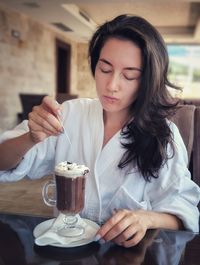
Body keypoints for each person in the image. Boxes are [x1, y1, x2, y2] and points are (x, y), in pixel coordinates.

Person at [0, 14, 199, 248]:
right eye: (105, 69)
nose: (112, 85)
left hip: (126, 256)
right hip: (68, 250)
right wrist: (30, 138)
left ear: (147, 80)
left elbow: (184, 209)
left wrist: (147, 219)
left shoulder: (164, 136)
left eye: (129, 75)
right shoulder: (69, 115)